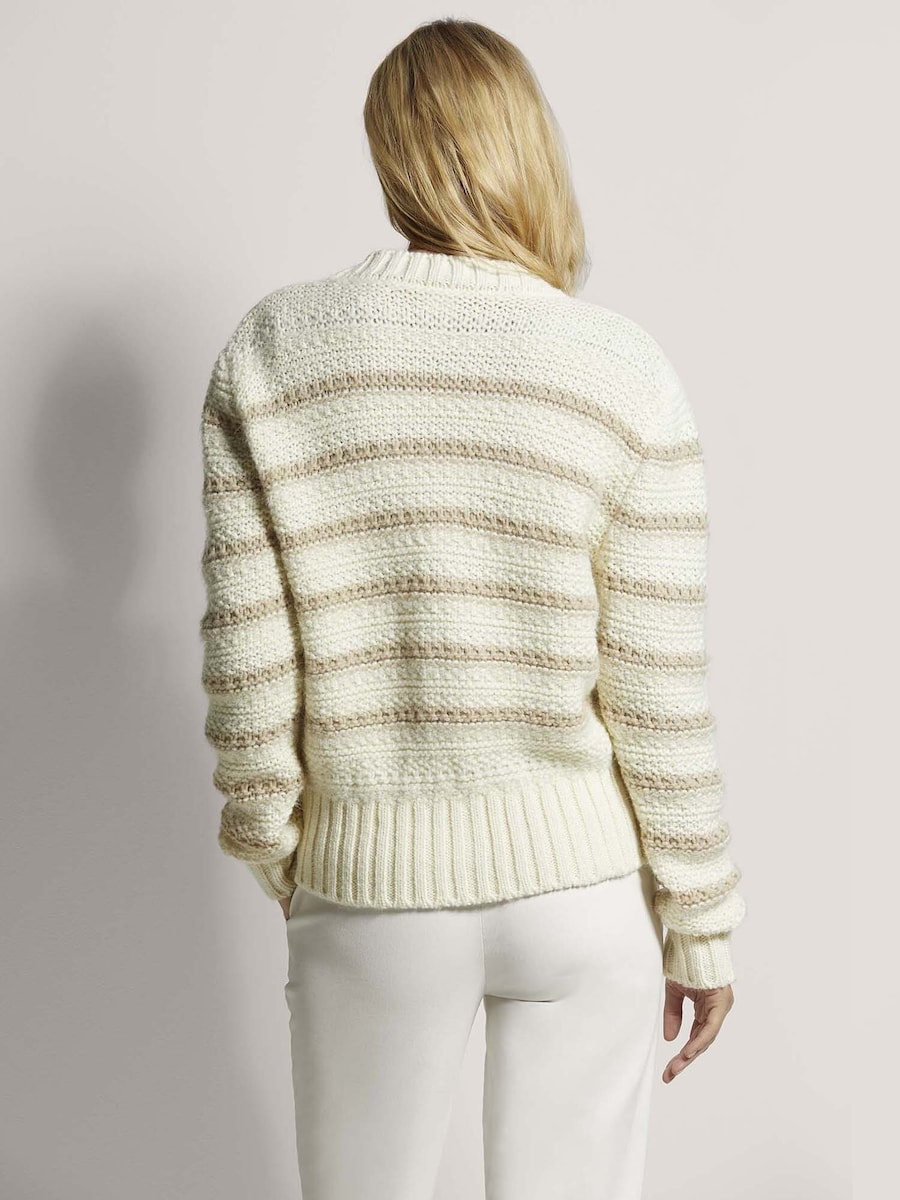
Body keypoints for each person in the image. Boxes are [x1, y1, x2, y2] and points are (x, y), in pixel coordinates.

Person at [198, 17, 746, 1200]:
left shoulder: (274, 352)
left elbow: (249, 675)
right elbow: (658, 692)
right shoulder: (621, 369)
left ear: (387, 149)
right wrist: (699, 919)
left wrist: (288, 857)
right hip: (581, 888)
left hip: (368, 883)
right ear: (529, 143)